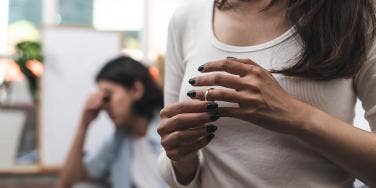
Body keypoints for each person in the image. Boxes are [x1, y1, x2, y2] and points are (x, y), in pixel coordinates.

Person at [158, 0, 376, 187]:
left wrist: (296, 116)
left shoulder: (356, 12)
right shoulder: (187, 18)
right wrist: (182, 160)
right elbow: (174, 168)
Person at [58, 56, 166, 188]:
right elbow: (69, 181)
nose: (104, 106)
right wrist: (84, 124)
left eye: (107, 96)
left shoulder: (167, 128)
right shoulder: (120, 138)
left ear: (136, 90)